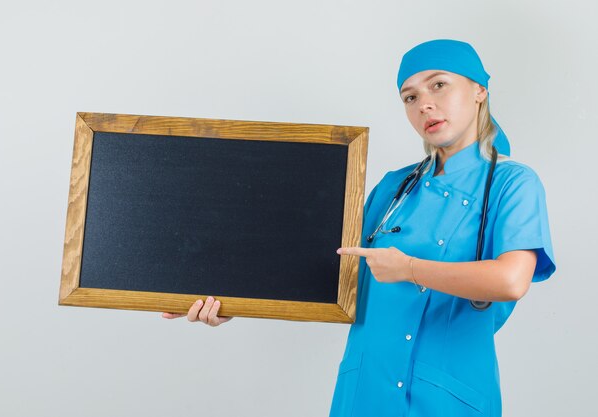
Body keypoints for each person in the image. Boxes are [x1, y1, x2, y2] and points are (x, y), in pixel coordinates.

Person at [163, 39, 556, 417]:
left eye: (439, 84)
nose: (426, 104)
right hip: (364, 395)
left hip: (448, 398)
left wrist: (410, 269)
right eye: (410, 96)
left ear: (479, 91)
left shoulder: (512, 183)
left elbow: (510, 280)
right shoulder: (393, 188)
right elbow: (329, 274)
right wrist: (230, 299)